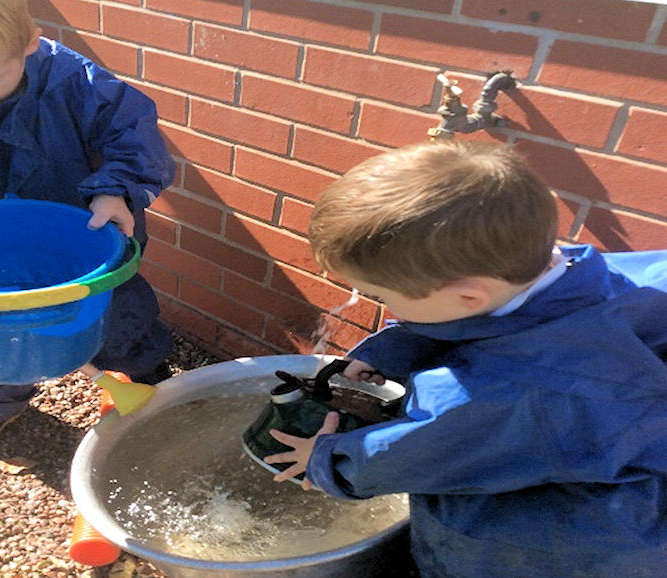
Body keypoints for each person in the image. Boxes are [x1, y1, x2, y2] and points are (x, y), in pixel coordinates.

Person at [264, 140, 667, 577]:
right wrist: (391, 351)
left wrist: (325, 457)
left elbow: (410, 453)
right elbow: (497, 322)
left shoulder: (507, 393)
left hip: (555, 551)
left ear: (470, 294)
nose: (382, 305)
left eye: (383, 297)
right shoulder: (609, 276)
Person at [0, 0, 176, 459]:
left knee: (117, 316)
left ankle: (149, 380)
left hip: (78, 228)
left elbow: (132, 134)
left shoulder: (75, 81)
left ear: (28, 43)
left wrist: (116, 188)